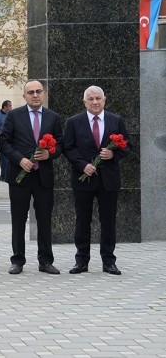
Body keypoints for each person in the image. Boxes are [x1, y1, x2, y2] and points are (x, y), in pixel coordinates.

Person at [63, 86, 132, 276]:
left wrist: (113, 153)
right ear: (84, 102)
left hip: (108, 181)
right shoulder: (73, 122)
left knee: (108, 221)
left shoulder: (116, 121)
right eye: (91, 99)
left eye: (98, 98)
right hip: (83, 180)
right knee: (82, 220)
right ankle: (81, 261)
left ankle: (109, 261)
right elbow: (68, 148)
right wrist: (82, 165)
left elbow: (127, 146)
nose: (95, 102)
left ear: (104, 100)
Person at [0, 81, 62, 275]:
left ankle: (45, 261)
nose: (35, 95)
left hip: (43, 177)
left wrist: (50, 154)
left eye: (38, 91)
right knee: (18, 219)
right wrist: (19, 160)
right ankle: (17, 260)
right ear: (24, 96)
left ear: (43, 94)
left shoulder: (53, 117)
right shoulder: (13, 116)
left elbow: (61, 144)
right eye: (30, 92)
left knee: (44, 219)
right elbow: (3, 141)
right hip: (19, 176)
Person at [0, 100, 12, 181]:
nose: (11, 107)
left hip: (10, 141)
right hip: (1, 141)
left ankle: (8, 175)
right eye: (10, 106)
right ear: (5, 107)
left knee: (10, 158)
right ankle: (3, 176)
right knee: (4, 159)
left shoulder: (11, 115)